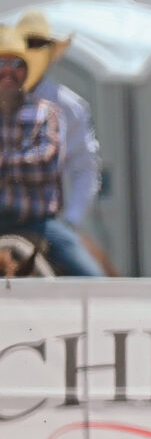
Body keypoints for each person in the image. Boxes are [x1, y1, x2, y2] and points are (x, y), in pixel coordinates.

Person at [15, 9, 103, 276]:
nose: (33, 51)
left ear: (51, 52)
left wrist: (71, 220)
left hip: (44, 221)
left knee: (95, 282)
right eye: (26, 44)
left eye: (40, 44)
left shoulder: (68, 105)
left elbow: (85, 167)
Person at [0, 25, 73, 268]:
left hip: (37, 222)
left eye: (17, 65)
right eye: (2, 63)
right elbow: (33, 163)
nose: (8, 72)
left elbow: (46, 164)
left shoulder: (45, 112)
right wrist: (20, 162)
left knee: (90, 274)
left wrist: (3, 164)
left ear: (27, 72)